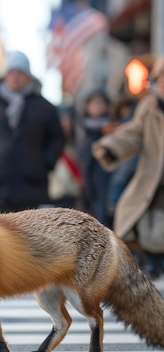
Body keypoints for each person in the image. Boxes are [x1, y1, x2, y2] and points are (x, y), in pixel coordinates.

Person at [92, 56, 164, 280]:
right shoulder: (150, 106)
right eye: (161, 80)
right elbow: (133, 131)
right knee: (145, 219)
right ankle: (152, 262)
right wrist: (111, 147)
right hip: (154, 176)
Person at [0, 50, 65, 214]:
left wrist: (46, 162)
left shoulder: (44, 107)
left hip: (32, 186)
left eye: (20, 72)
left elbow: (57, 138)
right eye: (11, 72)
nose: (15, 76)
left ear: (29, 76)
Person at [75, 90, 113, 226]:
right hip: (86, 176)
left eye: (100, 103)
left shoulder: (112, 128)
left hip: (105, 175)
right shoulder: (83, 127)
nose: (96, 106)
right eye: (93, 103)